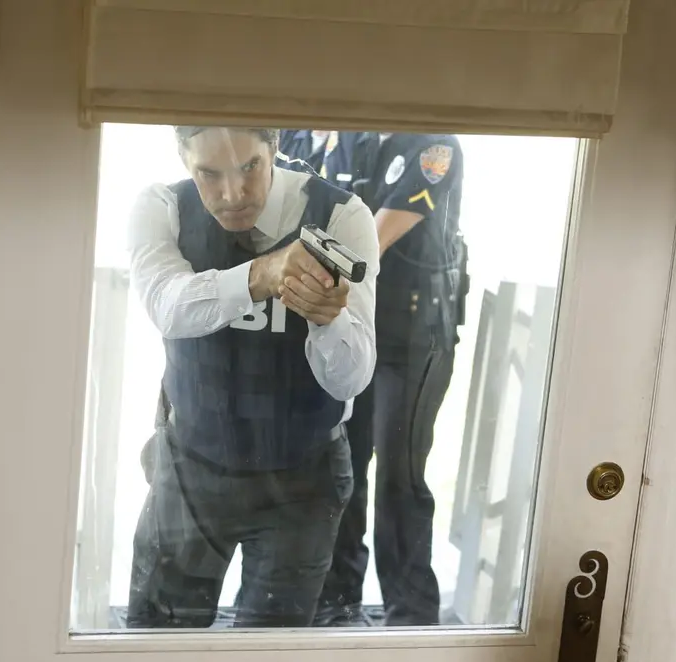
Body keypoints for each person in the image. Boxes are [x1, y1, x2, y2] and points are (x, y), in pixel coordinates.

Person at [124, 126, 380, 628]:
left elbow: (351, 379)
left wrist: (326, 319)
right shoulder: (162, 207)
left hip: (303, 474)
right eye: (209, 173)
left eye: (249, 167)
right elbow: (167, 307)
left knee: (269, 654)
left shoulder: (343, 216)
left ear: (274, 148)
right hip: (193, 466)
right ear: (183, 157)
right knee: (156, 645)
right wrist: (262, 275)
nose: (233, 193)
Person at [286, 131, 467, 627]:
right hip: (357, 332)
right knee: (344, 467)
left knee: (399, 478)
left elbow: (371, 242)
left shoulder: (433, 144)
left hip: (413, 340)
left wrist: (297, 264)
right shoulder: (352, 138)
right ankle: (338, 603)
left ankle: (411, 615)